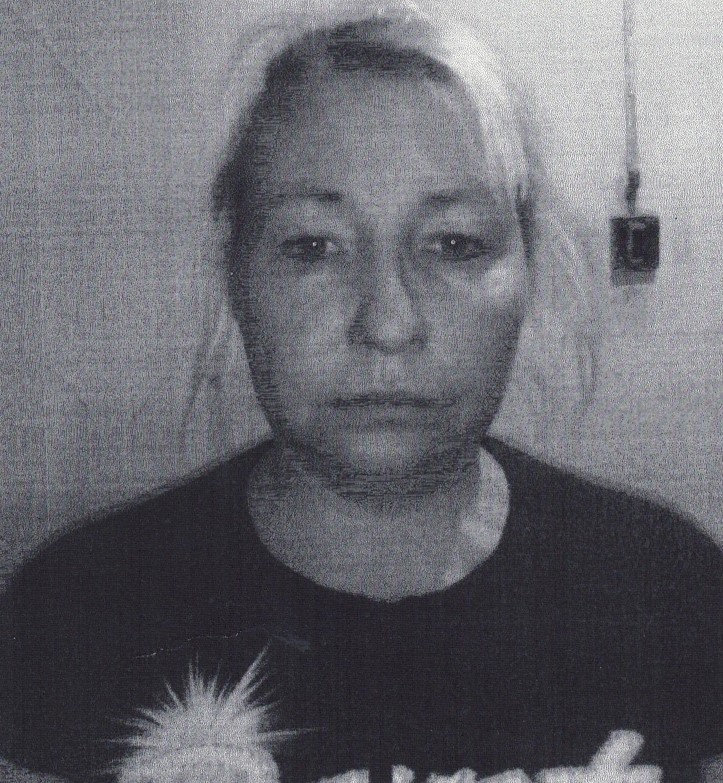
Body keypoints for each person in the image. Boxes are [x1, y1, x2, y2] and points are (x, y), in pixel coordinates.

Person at [0, 3, 720, 783]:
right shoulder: (75, 614)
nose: (387, 323)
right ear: (235, 275)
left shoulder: (665, 590)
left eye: (452, 243)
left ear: (528, 270)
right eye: (313, 245)